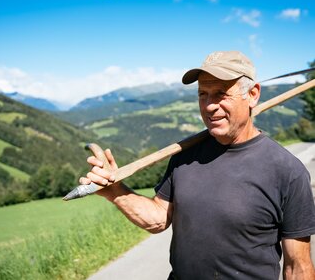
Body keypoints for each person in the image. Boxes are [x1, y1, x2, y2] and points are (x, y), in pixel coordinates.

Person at [80, 50, 315, 279]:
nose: (210, 105)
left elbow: (298, 268)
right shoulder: (184, 155)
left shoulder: (287, 172)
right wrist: (114, 191)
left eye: (221, 93)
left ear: (252, 94)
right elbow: (159, 219)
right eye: (203, 94)